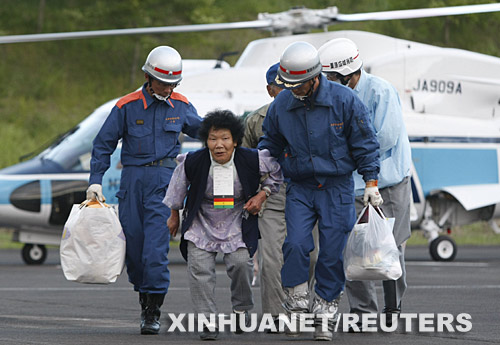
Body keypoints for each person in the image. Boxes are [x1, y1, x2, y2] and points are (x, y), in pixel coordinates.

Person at [258, 41, 382, 341]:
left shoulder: (345, 101)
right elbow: (269, 144)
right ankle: (298, 299)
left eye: (298, 85)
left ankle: (326, 308)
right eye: (289, 85)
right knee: (296, 245)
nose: (294, 90)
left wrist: (371, 183)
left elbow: (366, 143)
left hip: (336, 187)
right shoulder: (281, 105)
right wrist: (258, 168)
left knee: (331, 252)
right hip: (299, 187)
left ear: (315, 77)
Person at [86, 46, 202, 335]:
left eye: (172, 84)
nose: (167, 89)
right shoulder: (126, 106)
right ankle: (144, 296)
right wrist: (95, 180)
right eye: (163, 83)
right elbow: (103, 144)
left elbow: (207, 131)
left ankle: (153, 311)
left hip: (165, 183)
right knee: (135, 252)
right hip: (132, 182)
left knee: (155, 251)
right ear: (148, 77)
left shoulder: (182, 105)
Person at [163, 110, 283, 340]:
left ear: (235, 140)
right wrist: (174, 216)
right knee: (199, 268)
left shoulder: (251, 159)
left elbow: (274, 176)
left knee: (241, 264)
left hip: (237, 219)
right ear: (206, 140)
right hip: (202, 220)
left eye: (225, 138)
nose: (219, 145)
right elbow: (177, 189)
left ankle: (241, 310)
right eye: (213, 138)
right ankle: (207, 320)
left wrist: (261, 196)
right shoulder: (193, 161)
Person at [319, 38, 412, 330]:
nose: (328, 83)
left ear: (347, 74)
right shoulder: (332, 95)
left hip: (388, 182)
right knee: (354, 249)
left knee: (389, 249)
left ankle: (391, 307)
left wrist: (341, 154)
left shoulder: (381, 91)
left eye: (332, 78)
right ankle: (362, 313)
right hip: (352, 183)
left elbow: (384, 138)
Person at [242, 62, 286, 329]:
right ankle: (275, 315)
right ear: (270, 90)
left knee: (314, 256)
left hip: (308, 192)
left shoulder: (311, 113)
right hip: (271, 196)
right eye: (280, 86)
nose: (286, 90)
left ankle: (308, 307)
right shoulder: (255, 121)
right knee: (271, 259)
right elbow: (244, 163)